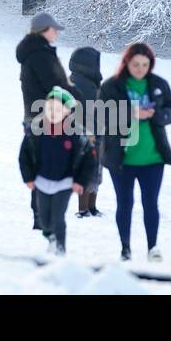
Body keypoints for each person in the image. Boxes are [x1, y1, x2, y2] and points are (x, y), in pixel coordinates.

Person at [96, 41, 171, 262]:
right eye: (136, 64)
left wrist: (158, 115)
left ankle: (153, 247)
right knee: (125, 203)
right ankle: (125, 248)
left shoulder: (158, 84)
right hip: (121, 158)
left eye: (145, 64)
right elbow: (101, 115)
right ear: (126, 63)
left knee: (151, 203)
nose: (140, 69)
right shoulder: (112, 86)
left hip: (153, 158)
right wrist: (132, 112)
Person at [19, 87, 97, 256]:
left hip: (64, 183)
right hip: (42, 181)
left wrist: (80, 182)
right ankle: (51, 238)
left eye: (58, 109)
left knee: (58, 217)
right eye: (50, 108)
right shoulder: (35, 131)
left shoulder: (77, 135)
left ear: (68, 112)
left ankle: (60, 248)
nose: (53, 113)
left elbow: (90, 161)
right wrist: (29, 178)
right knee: (45, 220)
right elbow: (24, 156)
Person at [16, 12, 72, 230]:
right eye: (53, 29)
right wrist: (73, 95)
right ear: (43, 30)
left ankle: (43, 214)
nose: (56, 32)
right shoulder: (40, 55)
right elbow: (54, 85)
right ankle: (42, 216)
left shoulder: (39, 52)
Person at [68, 46, 104, 217]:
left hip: (97, 132)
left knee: (96, 173)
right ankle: (83, 209)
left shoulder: (91, 83)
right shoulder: (77, 83)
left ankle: (92, 207)